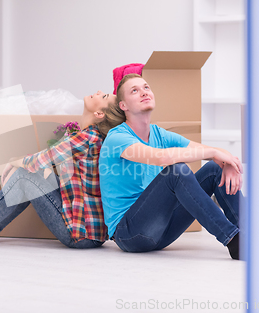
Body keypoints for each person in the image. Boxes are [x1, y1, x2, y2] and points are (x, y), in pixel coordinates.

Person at [98, 73, 243, 259]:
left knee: (214, 170)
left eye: (146, 87)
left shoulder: (159, 134)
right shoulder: (117, 137)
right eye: (135, 91)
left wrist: (226, 161)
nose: (143, 92)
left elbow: (204, 149)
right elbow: (161, 158)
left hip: (162, 229)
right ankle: (234, 241)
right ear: (123, 106)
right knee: (176, 170)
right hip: (130, 233)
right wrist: (216, 154)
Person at [0, 90, 117, 249]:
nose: (100, 92)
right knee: (31, 175)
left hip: (81, 234)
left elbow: (47, 157)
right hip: (90, 232)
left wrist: (16, 161)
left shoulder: (88, 137)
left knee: (24, 174)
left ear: (99, 113)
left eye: (104, 96)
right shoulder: (90, 136)